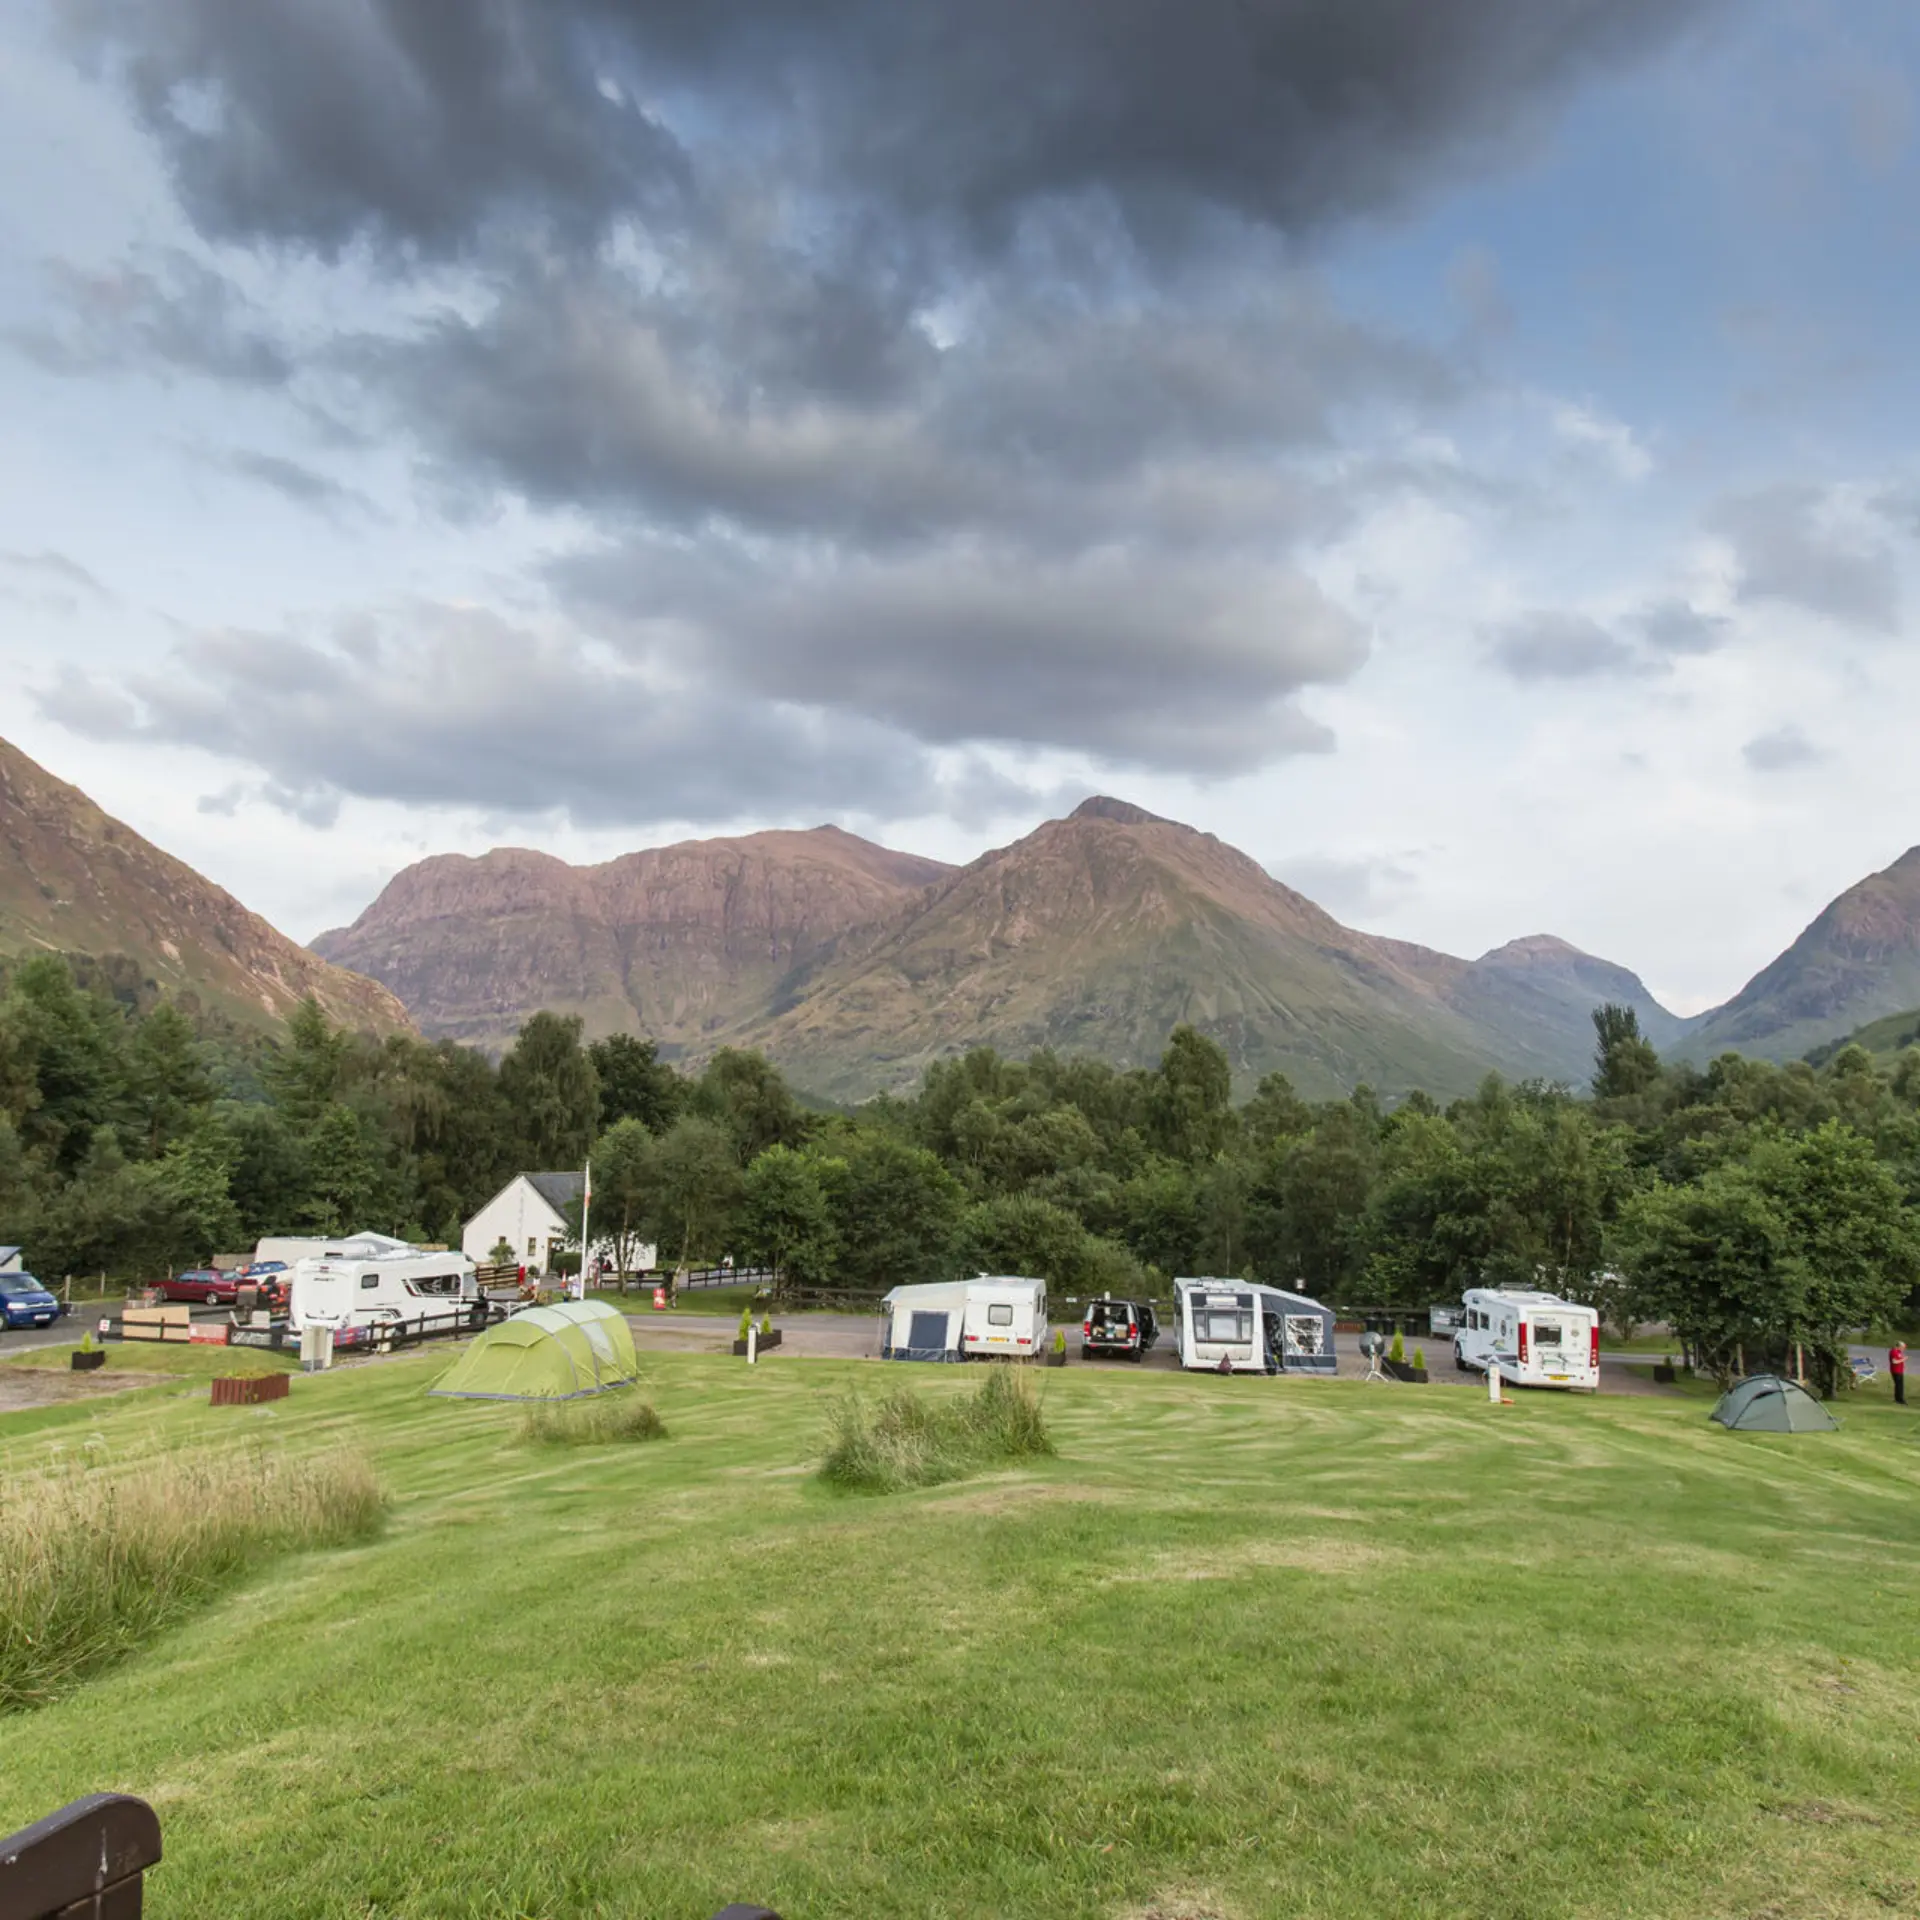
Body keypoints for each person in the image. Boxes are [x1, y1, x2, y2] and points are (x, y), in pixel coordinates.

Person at [1892, 1339, 1906, 1407]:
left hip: (1900, 1371)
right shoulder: (1893, 1351)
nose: (1903, 1349)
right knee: (1899, 1386)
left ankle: (1898, 1399)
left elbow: (1899, 1359)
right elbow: (1894, 1362)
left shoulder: (1898, 1351)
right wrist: (1903, 1359)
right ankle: (1900, 1400)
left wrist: (1903, 1364)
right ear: (1899, 1346)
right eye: (1903, 1347)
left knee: (1900, 1385)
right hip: (1896, 1371)